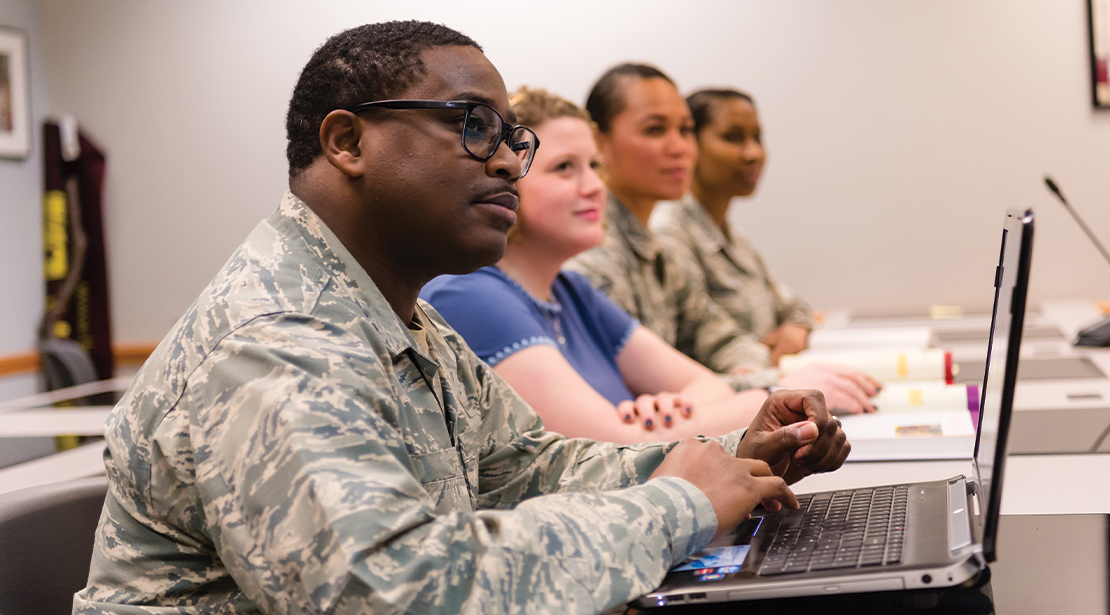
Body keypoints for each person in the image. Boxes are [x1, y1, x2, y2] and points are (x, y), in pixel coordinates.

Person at [73, 23, 849, 614]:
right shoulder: (277, 335)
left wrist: (732, 457)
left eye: (513, 135)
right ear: (347, 141)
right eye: (472, 124)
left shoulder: (395, 313)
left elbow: (530, 469)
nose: (511, 159)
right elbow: (388, 591)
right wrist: (679, 505)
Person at [422, 87, 772, 443]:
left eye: (594, 166)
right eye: (564, 168)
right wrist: (753, 405)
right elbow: (613, 449)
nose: (594, 186)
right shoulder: (468, 293)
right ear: (509, 176)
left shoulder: (571, 291)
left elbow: (706, 386)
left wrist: (670, 410)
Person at [565, 63, 878, 413]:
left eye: (685, 130)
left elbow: (718, 337)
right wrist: (777, 384)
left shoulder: (655, 251)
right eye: (655, 130)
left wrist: (761, 371)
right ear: (598, 142)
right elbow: (639, 398)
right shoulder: (591, 254)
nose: (679, 147)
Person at [652, 89, 813, 367]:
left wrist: (794, 331)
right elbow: (702, 343)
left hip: (762, 384)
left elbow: (795, 308)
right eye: (733, 138)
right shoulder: (669, 233)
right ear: (692, 144)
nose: (753, 153)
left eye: (757, 138)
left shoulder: (733, 238)